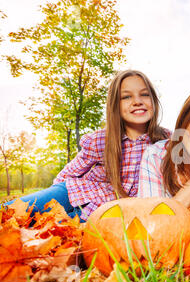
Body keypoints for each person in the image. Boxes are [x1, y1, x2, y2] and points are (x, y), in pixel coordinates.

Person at [1, 70, 170, 222]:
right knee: (13, 211)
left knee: (55, 230)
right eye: (126, 97)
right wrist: (54, 198)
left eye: (145, 95)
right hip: (73, 191)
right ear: (115, 106)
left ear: (154, 100)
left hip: (104, 212)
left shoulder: (167, 141)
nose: (137, 101)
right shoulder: (101, 140)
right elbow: (69, 173)